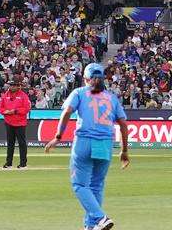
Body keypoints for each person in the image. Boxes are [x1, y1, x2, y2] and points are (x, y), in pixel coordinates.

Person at [45, 63, 130, 230]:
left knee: (79, 185)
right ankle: (90, 226)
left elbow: (67, 112)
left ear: (85, 79)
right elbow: (123, 125)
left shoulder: (79, 93)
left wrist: (58, 136)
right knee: (96, 186)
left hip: (84, 142)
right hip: (105, 144)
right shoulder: (112, 98)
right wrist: (124, 150)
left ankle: (100, 218)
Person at [0, 78, 31, 169]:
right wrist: (6, 112)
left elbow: (27, 108)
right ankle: (9, 163)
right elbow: (0, 107)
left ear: (18, 86)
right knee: (10, 143)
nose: (12, 87)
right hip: (9, 122)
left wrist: (16, 111)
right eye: (11, 85)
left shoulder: (23, 96)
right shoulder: (6, 95)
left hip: (20, 123)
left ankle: (23, 163)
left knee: (21, 143)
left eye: (14, 85)